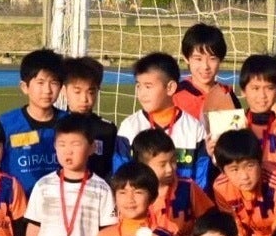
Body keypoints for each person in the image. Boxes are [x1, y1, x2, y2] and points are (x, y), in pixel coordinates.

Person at [115, 52, 211, 189]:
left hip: (183, 202)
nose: (142, 93)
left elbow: (202, 181)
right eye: (138, 86)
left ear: (170, 88)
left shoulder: (194, 128)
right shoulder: (130, 127)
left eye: (148, 86)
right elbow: (120, 176)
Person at [211, 128, 276, 236]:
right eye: (234, 169)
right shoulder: (221, 188)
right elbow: (236, 229)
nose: (244, 176)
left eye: (250, 166)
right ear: (223, 171)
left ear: (260, 162)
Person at [135, 128, 213, 236]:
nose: (170, 169)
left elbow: (208, 220)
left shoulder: (188, 187)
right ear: (143, 166)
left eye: (173, 161)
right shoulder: (134, 194)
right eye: (162, 164)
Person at [0, 49, 67, 194]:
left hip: (60, 204)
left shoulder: (70, 124)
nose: (47, 90)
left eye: (54, 82)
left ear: (61, 87)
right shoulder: (6, 124)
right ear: (25, 87)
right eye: (40, 82)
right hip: (17, 204)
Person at [62, 56, 118, 179]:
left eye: (91, 92)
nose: (84, 99)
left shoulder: (107, 130)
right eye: (77, 92)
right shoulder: (56, 126)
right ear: (64, 91)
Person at [173, 22, 239, 121]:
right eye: (198, 59)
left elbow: (236, 128)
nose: (205, 66)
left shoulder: (227, 94)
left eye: (212, 59)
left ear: (221, 59)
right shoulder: (176, 96)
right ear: (186, 58)